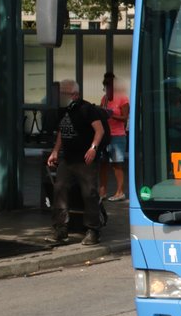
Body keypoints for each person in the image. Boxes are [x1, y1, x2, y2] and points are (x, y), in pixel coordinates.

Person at [46, 79, 106, 245]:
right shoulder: (63, 110)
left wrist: (93, 148)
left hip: (85, 159)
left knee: (89, 193)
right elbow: (62, 131)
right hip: (68, 158)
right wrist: (55, 151)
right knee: (59, 189)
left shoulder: (87, 109)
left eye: (65, 93)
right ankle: (60, 229)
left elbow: (99, 130)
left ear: (75, 94)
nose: (62, 96)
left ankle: (93, 230)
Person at [98, 72, 129, 201]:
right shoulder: (104, 99)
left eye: (109, 88)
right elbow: (100, 113)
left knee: (116, 164)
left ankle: (120, 192)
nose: (107, 91)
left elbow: (125, 118)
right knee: (103, 163)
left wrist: (111, 115)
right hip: (105, 135)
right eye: (105, 88)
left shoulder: (122, 98)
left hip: (117, 135)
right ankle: (102, 191)